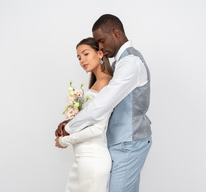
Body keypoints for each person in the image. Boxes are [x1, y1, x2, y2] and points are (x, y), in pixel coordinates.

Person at [56, 14, 152, 192]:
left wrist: (69, 129)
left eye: (101, 41)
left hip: (129, 142)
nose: (100, 47)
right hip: (118, 143)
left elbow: (102, 105)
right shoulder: (119, 65)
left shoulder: (130, 62)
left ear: (116, 33)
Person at [55, 37, 113, 192]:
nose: (82, 60)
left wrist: (64, 140)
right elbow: (87, 121)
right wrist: (68, 124)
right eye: (79, 57)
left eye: (86, 54)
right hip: (83, 159)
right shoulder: (95, 83)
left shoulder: (106, 83)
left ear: (100, 53)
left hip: (93, 160)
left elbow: (97, 129)